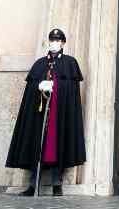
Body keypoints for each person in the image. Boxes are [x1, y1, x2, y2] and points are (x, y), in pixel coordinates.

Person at [6, 28, 86, 196]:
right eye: (51, 39)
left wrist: (56, 87)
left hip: (59, 114)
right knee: (37, 145)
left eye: (57, 40)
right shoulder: (40, 64)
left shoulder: (70, 63)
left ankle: (57, 183)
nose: (54, 42)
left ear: (63, 43)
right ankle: (33, 184)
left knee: (57, 144)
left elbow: (71, 91)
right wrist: (39, 87)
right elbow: (30, 92)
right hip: (39, 114)